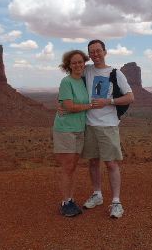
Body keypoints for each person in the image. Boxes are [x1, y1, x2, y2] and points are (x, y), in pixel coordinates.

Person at [82, 39, 134, 218]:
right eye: (92, 52)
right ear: (89, 55)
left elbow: (130, 97)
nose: (95, 54)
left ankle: (116, 202)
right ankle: (97, 194)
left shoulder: (115, 73)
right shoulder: (87, 70)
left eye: (98, 50)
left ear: (105, 52)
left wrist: (108, 101)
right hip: (89, 124)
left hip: (108, 125)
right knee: (93, 162)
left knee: (111, 163)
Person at [53, 50, 93, 217]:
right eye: (74, 62)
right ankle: (65, 201)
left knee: (73, 167)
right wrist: (90, 106)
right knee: (68, 167)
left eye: (80, 62)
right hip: (66, 130)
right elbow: (69, 106)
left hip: (79, 129)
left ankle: (70, 199)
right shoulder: (66, 82)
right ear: (68, 66)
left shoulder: (83, 81)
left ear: (84, 63)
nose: (77, 65)